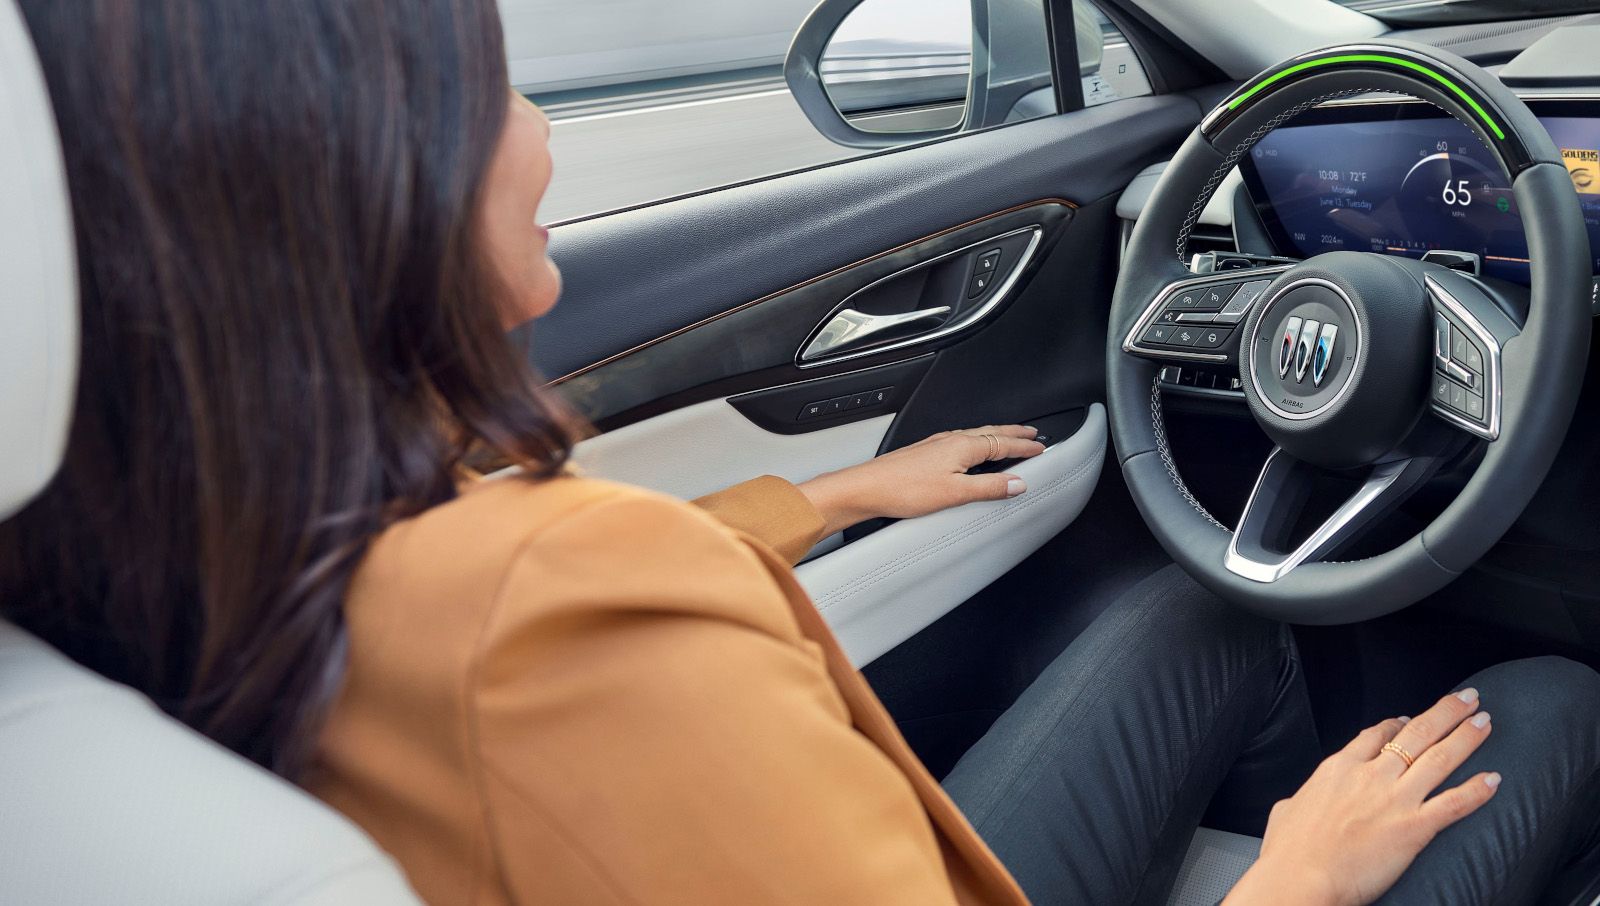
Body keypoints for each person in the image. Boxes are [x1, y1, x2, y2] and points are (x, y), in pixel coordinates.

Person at [4, 2, 1599, 904]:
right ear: (336, 179)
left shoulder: (174, 546)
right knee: (1553, 701)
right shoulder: (551, 605)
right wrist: (1295, 882)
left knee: (1216, 610)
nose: (541, 134)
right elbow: (548, 604)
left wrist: (833, 493)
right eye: (490, 90)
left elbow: (494, 571)